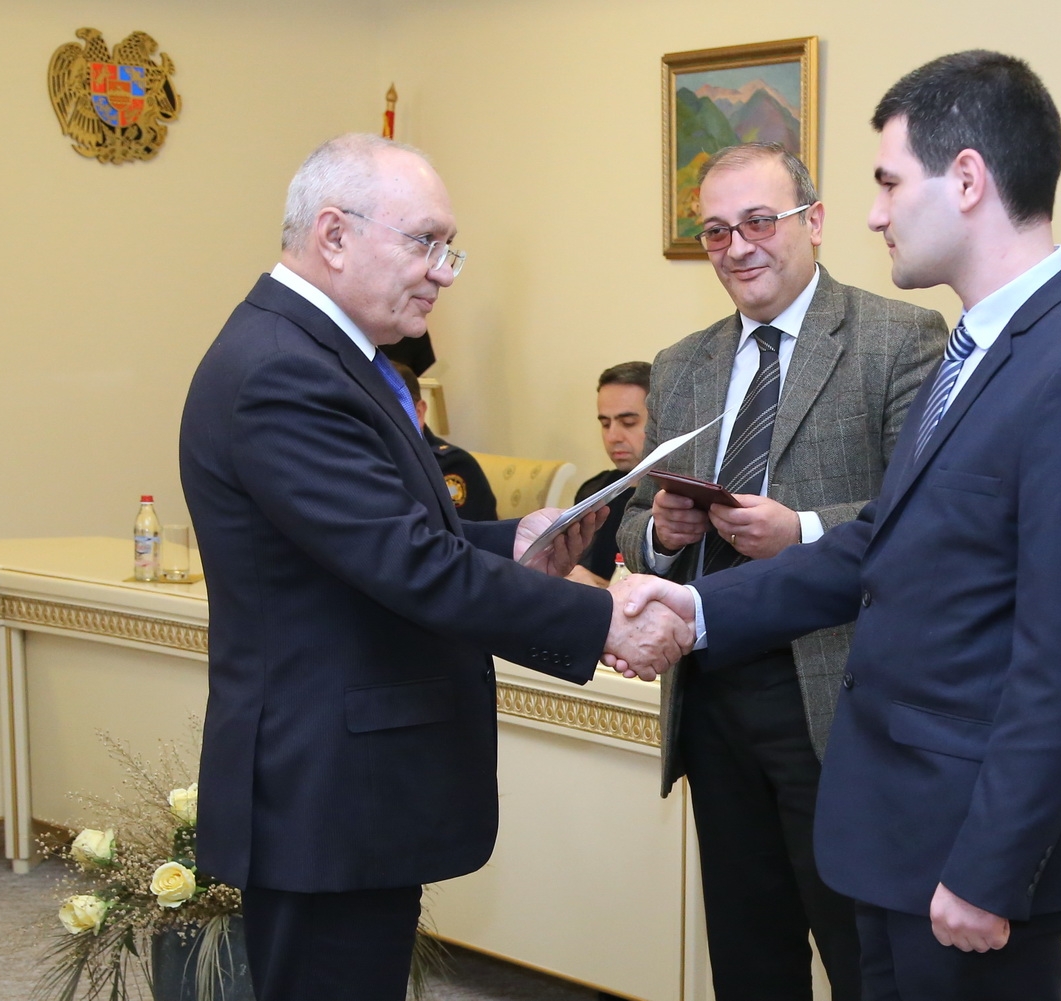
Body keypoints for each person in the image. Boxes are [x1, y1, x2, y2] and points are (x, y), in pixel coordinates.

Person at [619, 51, 1061, 1000]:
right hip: (895, 834)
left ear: (967, 180)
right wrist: (700, 609)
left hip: (964, 854)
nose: (874, 215)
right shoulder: (977, 348)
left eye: (888, 182)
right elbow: (881, 542)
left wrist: (992, 868)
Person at [178, 133, 689, 1001]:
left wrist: (514, 542)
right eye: (425, 242)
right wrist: (605, 618)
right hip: (325, 790)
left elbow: (388, 540)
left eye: (449, 248)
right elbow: (410, 565)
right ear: (334, 235)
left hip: (349, 787)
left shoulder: (321, 355)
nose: (443, 272)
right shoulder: (282, 372)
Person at [616, 142, 946, 1001]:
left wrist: (801, 530)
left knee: (863, 957)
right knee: (748, 957)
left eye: (759, 222)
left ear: (816, 222)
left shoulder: (898, 338)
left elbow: (925, 517)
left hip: (834, 695)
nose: (739, 247)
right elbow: (633, 520)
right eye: (716, 231)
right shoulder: (681, 363)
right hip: (712, 695)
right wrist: (661, 532)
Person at [568, 361, 652, 586]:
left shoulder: (678, 504)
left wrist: (600, 589)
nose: (613, 437)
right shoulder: (593, 492)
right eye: (605, 424)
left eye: (628, 423)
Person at [389, 359, 500, 522]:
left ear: (418, 413)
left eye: (386, 411)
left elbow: (459, 534)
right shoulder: (364, 461)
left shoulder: (451, 466)